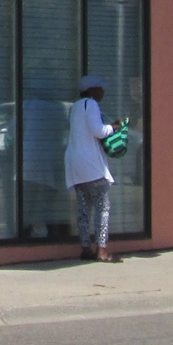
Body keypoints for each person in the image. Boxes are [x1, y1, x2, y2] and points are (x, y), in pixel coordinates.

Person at [65, 74, 123, 262]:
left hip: (74, 162)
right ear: (91, 90)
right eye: (100, 88)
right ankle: (102, 250)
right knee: (102, 207)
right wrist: (114, 126)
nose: (103, 92)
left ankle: (85, 248)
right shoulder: (90, 104)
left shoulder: (75, 107)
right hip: (90, 164)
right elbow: (98, 131)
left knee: (83, 208)